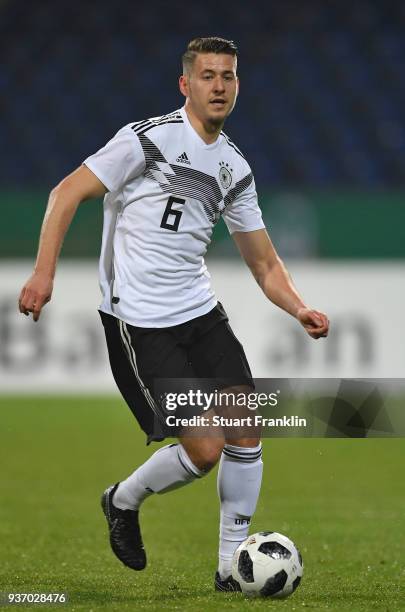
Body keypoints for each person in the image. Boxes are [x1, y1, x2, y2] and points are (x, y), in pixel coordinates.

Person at [18, 37, 329, 591]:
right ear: (185, 84)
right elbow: (65, 194)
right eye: (208, 75)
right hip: (138, 320)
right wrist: (44, 273)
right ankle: (121, 500)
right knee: (205, 449)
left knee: (246, 425)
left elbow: (264, 263)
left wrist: (298, 305)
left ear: (237, 85)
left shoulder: (233, 167)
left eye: (228, 76)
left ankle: (230, 569)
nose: (219, 86)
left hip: (200, 311)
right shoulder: (148, 141)